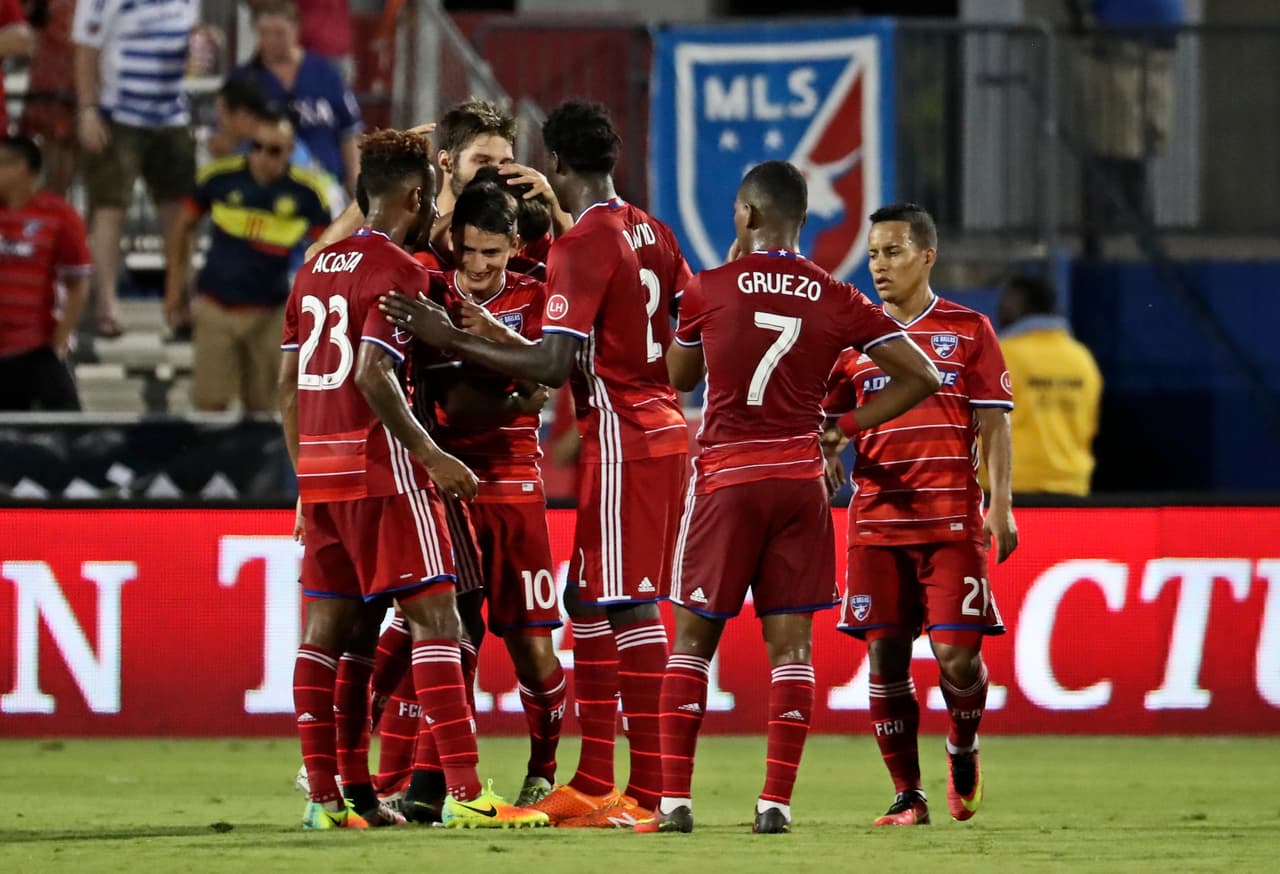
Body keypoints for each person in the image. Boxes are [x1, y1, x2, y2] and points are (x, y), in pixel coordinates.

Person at [380, 99, 691, 828]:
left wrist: (447, 336)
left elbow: (552, 360)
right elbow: (686, 331)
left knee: (628, 604)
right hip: (653, 426)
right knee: (590, 601)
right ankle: (595, 779)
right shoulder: (653, 227)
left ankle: (653, 795)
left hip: (622, 434)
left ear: (552, 160)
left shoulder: (582, 242)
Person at [633, 163, 940, 835]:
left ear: (746, 216)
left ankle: (674, 803)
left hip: (726, 478)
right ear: (804, 221)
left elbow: (679, 375)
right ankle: (775, 804)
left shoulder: (709, 286)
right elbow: (922, 374)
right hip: (801, 480)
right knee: (792, 648)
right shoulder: (835, 295)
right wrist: (844, 428)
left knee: (691, 641)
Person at [278, 127, 547, 830]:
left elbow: (285, 386)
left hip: (322, 471)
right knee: (440, 618)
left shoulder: (312, 268)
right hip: (382, 468)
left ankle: (332, 798)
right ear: (418, 195)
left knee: (331, 636)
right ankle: (464, 793)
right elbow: (372, 372)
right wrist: (432, 455)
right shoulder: (397, 268)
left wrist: (304, 479)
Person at [822, 203, 1018, 826]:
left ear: (927, 255)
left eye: (894, 252)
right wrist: (825, 448)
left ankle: (963, 745)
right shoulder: (853, 335)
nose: (880, 266)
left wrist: (1002, 505)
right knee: (885, 658)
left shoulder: (968, 328)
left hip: (952, 520)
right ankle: (909, 794)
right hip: (876, 521)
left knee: (958, 657)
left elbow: (994, 421)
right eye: (874, 254)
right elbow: (824, 415)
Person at [166, 110, 330, 413]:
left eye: (273, 150)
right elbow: (182, 227)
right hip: (216, 307)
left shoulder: (308, 194)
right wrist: (175, 290)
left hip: (270, 313)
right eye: (256, 146)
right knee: (209, 407)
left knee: (264, 410)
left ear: (290, 151)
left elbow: (328, 252)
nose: (262, 156)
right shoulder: (218, 178)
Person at [306, 97, 570, 266]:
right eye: (482, 161)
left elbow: (575, 274)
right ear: (446, 162)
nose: (496, 173)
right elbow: (317, 259)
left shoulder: (516, 226)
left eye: (505, 162)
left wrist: (555, 203)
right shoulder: (411, 221)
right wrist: (382, 180)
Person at [72, 0, 196, 338]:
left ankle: (178, 301)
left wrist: (204, 44)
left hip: (172, 114)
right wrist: (88, 110)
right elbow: (86, 51)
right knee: (110, 208)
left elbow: (190, 41)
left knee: (180, 212)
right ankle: (106, 305)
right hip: (119, 114)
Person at [0, 134, 91, 411]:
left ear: (23, 169)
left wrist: (59, 341)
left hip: (37, 349)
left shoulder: (59, 216)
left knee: (68, 438)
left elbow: (79, 281)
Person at [236, 0, 361, 195]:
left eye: (279, 33)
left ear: (296, 29)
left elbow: (349, 130)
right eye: (264, 33)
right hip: (262, 190)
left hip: (323, 185)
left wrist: (355, 186)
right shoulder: (245, 79)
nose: (272, 41)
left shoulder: (326, 73)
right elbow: (223, 140)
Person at [997, 274, 1102, 497]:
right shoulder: (1082, 359)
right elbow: (1089, 426)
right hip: (1070, 488)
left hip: (1010, 488)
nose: (1000, 308)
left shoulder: (1001, 354)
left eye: (1005, 301)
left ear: (1017, 303)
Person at [20, 0, 74, 196]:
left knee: (66, 152)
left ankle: (62, 211)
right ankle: (56, 210)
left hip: (74, 78)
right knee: (56, 150)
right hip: (52, 81)